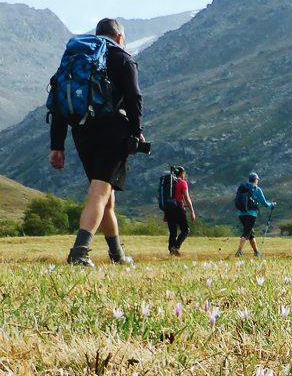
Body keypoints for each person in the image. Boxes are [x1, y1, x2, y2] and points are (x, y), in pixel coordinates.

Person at [50, 18, 143, 267]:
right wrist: (137, 131)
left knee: (105, 196)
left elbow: (58, 99)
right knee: (100, 192)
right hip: (112, 131)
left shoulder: (75, 59)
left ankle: (117, 255)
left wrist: (56, 145)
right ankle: (79, 251)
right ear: (119, 37)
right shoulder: (122, 58)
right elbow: (134, 97)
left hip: (82, 131)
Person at [235, 172, 276, 257]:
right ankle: (239, 251)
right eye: (257, 180)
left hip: (241, 213)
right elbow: (264, 203)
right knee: (246, 232)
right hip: (251, 214)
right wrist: (271, 205)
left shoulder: (242, 188)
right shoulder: (256, 189)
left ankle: (256, 252)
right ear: (256, 180)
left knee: (250, 233)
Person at [165, 166, 196, 256]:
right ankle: (176, 247)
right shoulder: (182, 183)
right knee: (186, 230)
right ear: (182, 173)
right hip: (178, 209)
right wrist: (192, 211)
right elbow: (187, 198)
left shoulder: (169, 183)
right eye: (184, 173)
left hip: (169, 209)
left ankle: (172, 251)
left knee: (173, 231)